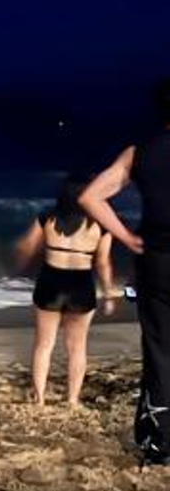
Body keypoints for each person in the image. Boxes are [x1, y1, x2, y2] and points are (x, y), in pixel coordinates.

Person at [80, 81, 170, 465]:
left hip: (158, 261)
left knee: (160, 349)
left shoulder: (140, 153)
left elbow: (91, 197)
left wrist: (128, 238)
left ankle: (158, 442)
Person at [15, 176, 115, 407]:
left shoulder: (46, 218)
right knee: (77, 348)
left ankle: (39, 398)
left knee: (43, 345)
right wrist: (109, 294)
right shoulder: (100, 224)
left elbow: (27, 247)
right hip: (81, 285)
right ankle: (71, 400)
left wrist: (20, 261)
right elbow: (103, 263)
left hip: (50, 282)